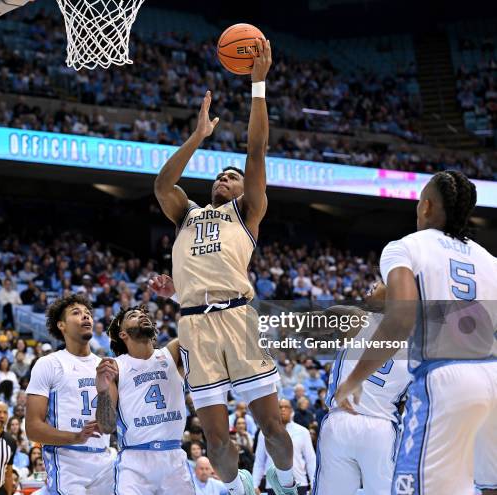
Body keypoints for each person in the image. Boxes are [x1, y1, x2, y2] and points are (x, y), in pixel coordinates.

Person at [153, 38, 296, 495]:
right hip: (194, 325)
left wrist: (258, 86)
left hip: (238, 317)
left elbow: (256, 151)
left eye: (230, 177)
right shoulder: (186, 214)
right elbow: (162, 184)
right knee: (216, 440)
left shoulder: (246, 211)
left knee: (273, 428)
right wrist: (197, 138)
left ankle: (289, 484)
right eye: (220, 174)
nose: (223, 178)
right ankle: (236, 489)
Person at [334, 171, 497, 495]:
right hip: (493, 374)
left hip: (447, 378)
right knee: (489, 485)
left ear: (425, 206)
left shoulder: (405, 247)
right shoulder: (490, 260)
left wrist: (353, 380)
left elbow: (400, 319)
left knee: (412, 488)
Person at [311, 282, 412, 495]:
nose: (373, 284)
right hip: (382, 428)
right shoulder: (416, 343)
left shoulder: (355, 316)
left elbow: (312, 323)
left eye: (382, 281)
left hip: (341, 423)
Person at [95, 306, 195, 495]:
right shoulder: (115, 366)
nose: (142, 316)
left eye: (144, 314)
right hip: (135, 461)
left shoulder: (172, 353)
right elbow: (106, 426)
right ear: (123, 334)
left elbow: (199, 328)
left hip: (173, 456)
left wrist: (175, 296)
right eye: (134, 316)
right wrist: (102, 392)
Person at [25, 294, 112, 495]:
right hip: (67, 460)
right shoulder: (49, 364)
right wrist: (76, 436)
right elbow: (32, 428)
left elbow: (110, 425)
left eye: (88, 313)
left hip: (103, 460)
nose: (86, 317)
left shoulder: (104, 365)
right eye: (76, 313)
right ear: (61, 325)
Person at [253, 400, 316, 495]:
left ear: (291, 411)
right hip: (273, 485)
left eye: (286, 407)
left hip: (299, 483)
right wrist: (254, 484)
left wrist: (314, 482)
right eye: (280, 407)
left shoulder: (303, 432)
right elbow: (259, 461)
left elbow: (311, 460)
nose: (283, 409)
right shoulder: (264, 433)